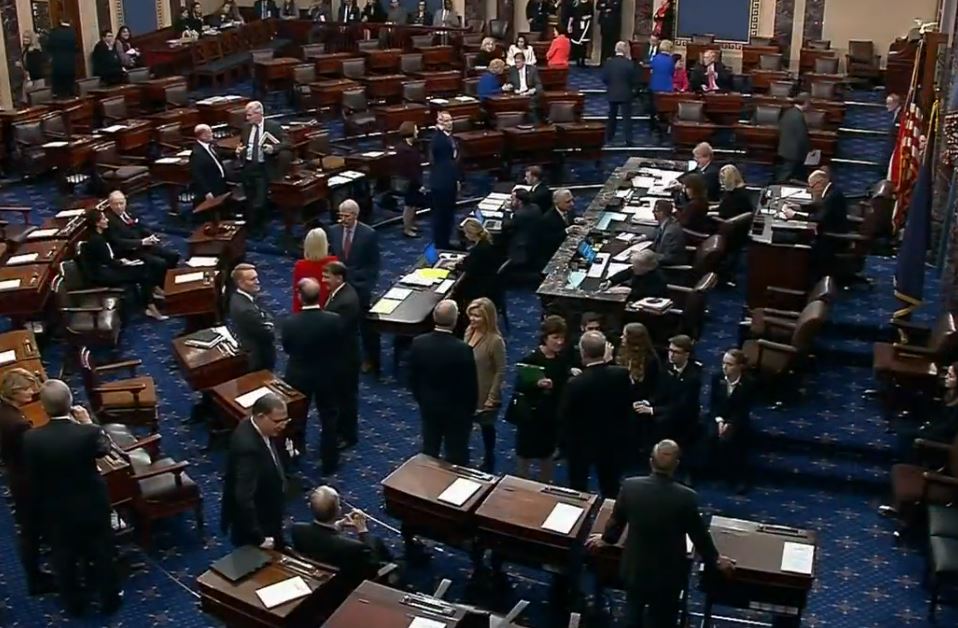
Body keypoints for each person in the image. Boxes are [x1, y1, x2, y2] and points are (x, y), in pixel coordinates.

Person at [586, 440, 734, 628]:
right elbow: (699, 535)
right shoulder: (686, 497)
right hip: (668, 576)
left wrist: (606, 540)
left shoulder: (630, 487)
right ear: (676, 465)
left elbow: (616, 524)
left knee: (632, 614)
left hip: (636, 570)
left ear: (651, 461)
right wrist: (715, 559)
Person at [23, 380, 121, 616]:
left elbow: (33, 476)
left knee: (64, 557)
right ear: (70, 402)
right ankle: (110, 600)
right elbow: (106, 449)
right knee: (103, 552)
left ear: (43, 407)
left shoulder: (31, 438)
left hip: (57, 509)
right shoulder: (88, 432)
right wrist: (87, 421)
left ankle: (75, 605)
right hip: (92, 505)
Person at [0, 369, 54, 596]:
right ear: (15, 392)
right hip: (28, 483)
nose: (32, 392)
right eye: (27, 389)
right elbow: (32, 455)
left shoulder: (5, 410)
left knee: (30, 529)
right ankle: (36, 580)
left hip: (15, 473)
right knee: (31, 532)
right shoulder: (16, 424)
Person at [281, 278, 343, 472]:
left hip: (298, 376)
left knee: (297, 418)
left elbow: (287, 348)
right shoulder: (334, 320)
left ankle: (296, 454)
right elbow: (338, 346)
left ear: (299, 296)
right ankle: (330, 462)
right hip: (327, 375)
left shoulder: (290, 322)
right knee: (329, 417)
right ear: (319, 295)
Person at [560, 330, 631, 498]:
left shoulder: (575, 383)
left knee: (578, 488)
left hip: (581, 444)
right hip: (612, 440)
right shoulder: (621, 375)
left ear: (582, 352)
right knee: (611, 487)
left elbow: (565, 416)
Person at [409, 300, 478, 465]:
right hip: (456, 410)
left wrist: (422, 399)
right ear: (455, 319)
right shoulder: (462, 349)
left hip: (428, 405)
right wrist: (470, 411)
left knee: (430, 447)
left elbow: (412, 377)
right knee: (456, 453)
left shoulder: (418, 343)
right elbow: (470, 386)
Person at [220, 393, 289, 548]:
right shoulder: (248, 449)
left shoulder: (255, 426)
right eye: (278, 421)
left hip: (270, 508)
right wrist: (259, 538)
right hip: (258, 522)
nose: (283, 425)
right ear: (260, 416)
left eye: (285, 420)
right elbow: (244, 498)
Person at [78, 209, 167, 321]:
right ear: (97, 223)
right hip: (102, 274)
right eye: (103, 219)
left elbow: (109, 259)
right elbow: (108, 262)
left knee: (144, 268)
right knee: (143, 272)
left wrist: (125, 262)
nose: (107, 220)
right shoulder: (96, 240)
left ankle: (151, 299)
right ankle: (151, 306)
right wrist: (125, 263)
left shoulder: (100, 235)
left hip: (108, 268)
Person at [292, 486, 391, 586]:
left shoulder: (297, 529)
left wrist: (337, 525)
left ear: (310, 507)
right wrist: (363, 530)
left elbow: (321, 537)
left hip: (314, 576)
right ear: (339, 510)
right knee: (376, 543)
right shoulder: (353, 547)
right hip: (345, 585)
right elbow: (373, 567)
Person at [513, 316, 571, 482]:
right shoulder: (531, 359)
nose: (560, 342)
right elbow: (519, 387)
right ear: (545, 338)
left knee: (547, 455)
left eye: (562, 338)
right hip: (531, 416)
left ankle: (546, 486)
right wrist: (536, 384)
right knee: (525, 455)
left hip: (550, 417)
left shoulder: (561, 361)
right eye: (555, 337)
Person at [328, 199, 381, 372]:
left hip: (360, 286)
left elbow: (373, 264)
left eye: (347, 216)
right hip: (339, 287)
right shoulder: (333, 231)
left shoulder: (368, 234)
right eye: (341, 215)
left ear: (355, 215)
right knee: (342, 325)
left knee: (366, 326)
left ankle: (371, 359)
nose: (343, 219)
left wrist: (366, 285)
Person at [235, 100, 292, 232]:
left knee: (260, 201)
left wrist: (273, 148)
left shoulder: (273, 126)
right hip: (248, 167)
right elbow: (243, 144)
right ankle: (251, 229)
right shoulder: (246, 127)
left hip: (263, 168)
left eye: (249, 115)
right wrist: (239, 150)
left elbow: (288, 142)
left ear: (259, 114)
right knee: (249, 199)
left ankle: (260, 229)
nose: (247, 118)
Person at [323, 262, 362, 450]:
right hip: (340, 356)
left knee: (346, 398)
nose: (323, 280)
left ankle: (348, 436)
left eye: (327, 277)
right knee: (341, 397)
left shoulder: (346, 301)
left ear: (339, 278)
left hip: (345, 358)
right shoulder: (339, 293)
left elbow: (337, 331)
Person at [464, 298, 506, 472]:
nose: (472, 319)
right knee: (464, 425)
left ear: (487, 318)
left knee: (486, 427)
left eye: (477, 316)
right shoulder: (469, 331)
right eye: (471, 315)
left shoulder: (495, 341)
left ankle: (489, 458)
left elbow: (500, 371)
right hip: (467, 389)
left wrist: (492, 397)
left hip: (485, 391)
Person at [641, 335, 703, 452]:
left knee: (662, 421)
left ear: (686, 354)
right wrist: (648, 402)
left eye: (676, 352)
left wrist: (653, 410)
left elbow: (681, 406)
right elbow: (660, 391)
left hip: (682, 415)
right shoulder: (666, 366)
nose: (671, 355)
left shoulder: (693, 376)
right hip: (665, 407)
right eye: (670, 350)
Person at [104, 190, 180, 279]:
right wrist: (141, 242)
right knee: (160, 263)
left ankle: (170, 279)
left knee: (173, 255)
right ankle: (159, 283)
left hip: (143, 245)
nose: (119, 207)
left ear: (125, 202)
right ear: (110, 204)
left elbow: (140, 227)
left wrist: (151, 236)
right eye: (115, 204)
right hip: (129, 251)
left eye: (121, 203)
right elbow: (117, 241)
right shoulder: (108, 220)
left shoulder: (130, 211)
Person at [709, 349, 754, 493]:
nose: (724, 367)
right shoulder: (717, 378)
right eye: (723, 363)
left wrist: (730, 423)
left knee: (735, 439)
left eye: (729, 364)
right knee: (710, 434)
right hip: (719, 417)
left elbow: (743, 409)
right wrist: (720, 421)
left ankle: (738, 477)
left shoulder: (748, 383)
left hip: (737, 419)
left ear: (740, 366)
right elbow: (713, 404)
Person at [617, 323, 661, 459]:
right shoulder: (620, 352)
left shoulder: (650, 361)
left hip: (639, 398)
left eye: (624, 336)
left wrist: (645, 401)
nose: (621, 338)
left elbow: (653, 387)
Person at [228, 263, 276, 372]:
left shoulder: (240, 297)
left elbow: (264, 314)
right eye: (252, 279)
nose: (257, 282)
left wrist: (265, 318)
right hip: (258, 357)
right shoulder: (246, 309)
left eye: (257, 278)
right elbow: (269, 333)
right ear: (240, 283)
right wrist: (268, 321)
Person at [429, 111, 460, 250]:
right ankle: (441, 244)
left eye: (450, 120)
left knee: (448, 215)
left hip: (449, 180)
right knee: (441, 215)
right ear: (439, 123)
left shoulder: (448, 137)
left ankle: (446, 241)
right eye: (446, 121)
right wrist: (438, 130)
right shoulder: (438, 138)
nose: (450, 123)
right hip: (442, 183)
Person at [292, 228, 338, 311]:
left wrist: (297, 315)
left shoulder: (300, 266)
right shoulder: (334, 262)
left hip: (308, 309)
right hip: (330, 309)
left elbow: (297, 294)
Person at [457, 218, 500, 306]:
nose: (465, 235)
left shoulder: (479, 250)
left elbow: (470, 270)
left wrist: (456, 266)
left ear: (471, 234)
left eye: (466, 233)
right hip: (489, 281)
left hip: (480, 286)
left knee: (457, 289)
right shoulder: (486, 242)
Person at [602, 41, 637, 147]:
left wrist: (611, 85)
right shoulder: (629, 63)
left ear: (615, 50)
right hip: (626, 92)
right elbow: (633, 79)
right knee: (627, 118)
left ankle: (609, 137)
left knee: (612, 116)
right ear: (625, 51)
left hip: (612, 92)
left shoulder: (609, 63)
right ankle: (629, 140)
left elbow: (604, 78)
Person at [602, 249, 668, 302]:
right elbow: (625, 273)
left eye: (635, 267)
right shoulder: (639, 270)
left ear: (647, 268)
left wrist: (629, 291)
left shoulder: (658, 279)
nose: (632, 268)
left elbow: (646, 294)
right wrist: (610, 281)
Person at [395, 121, 424, 238]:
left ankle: (411, 224)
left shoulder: (411, 146)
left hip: (414, 180)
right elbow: (410, 169)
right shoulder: (404, 150)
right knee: (409, 205)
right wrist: (419, 184)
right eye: (416, 129)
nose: (418, 132)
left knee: (413, 204)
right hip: (410, 181)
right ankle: (407, 229)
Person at [536, 188, 576, 271]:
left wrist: (575, 221)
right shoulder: (547, 219)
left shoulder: (569, 210)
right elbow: (548, 241)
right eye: (568, 202)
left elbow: (569, 222)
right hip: (554, 255)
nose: (572, 204)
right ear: (556, 202)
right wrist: (566, 231)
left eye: (572, 200)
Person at [189, 124, 229, 206]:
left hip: (221, 183)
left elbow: (222, 153)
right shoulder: (197, 154)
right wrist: (207, 192)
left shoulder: (211, 145)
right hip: (212, 187)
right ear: (203, 136)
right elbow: (198, 175)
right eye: (210, 132)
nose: (212, 134)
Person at [776, 93, 811, 183]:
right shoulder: (798, 116)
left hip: (784, 149)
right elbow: (801, 137)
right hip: (794, 152)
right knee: (785, 175)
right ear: (806, 103)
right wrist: (808, 150)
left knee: (787, 172)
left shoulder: (788, 112)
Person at [504, 188, 542, 270]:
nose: (510, 200)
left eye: (512, 198)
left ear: (519, 201)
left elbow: (506, 226)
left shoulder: (519, 214)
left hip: (521, 247)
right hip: (535, 244)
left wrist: (507, 210)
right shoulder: (536, 207)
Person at [647, 39, 675, 137]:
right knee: (665, 109)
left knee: (653, 108)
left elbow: (651, 69)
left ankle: (652, 127)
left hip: (655, 86)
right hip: (666, 88)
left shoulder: (655, 58)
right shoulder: (671, 60)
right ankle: (664, 128)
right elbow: (672, 72)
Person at [505, 52, 541, 121]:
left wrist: (533, 90)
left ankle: (535, 123)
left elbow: (539, 84)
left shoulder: (532, 69)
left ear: (524, 61)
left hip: (529, 94)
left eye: (518, 62)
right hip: (517, 95)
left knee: (532, 104)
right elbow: (509, 82)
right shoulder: (512, 70)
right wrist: (510, 86)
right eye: (515, 62)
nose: (516, 64)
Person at [649, 200, 687, 266]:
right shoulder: (669, 222)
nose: (653, 212)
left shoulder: (670, 232)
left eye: (655, 210)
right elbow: (657, 233)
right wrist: (643, 237)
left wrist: (649, 256)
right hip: (660, 256)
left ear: (661, 213)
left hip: (666, 266)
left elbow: (670, 258)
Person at [48, 19, 77, 97]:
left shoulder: (54, 32)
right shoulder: (72, 32)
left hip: (57, 64)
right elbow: (75, 47)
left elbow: (49, 47)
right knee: (70, 87)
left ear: (60, 21)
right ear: (70, 22)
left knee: (59, 89)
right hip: (70, 64)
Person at [568, 0, 593, 67]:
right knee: (577, 43)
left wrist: (586, 17)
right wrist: (569, 25)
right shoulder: (575, 3)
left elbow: (591, 15)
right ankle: (577, 60)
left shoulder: (589, 4)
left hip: (585, 26)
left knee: (584, 44)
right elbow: (571, 16)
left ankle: (583, 60)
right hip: (576, 25)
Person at [884, 93, 901, 166]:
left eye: (889, 104)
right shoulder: (895, 114)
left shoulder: (901, 115)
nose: (887, 106)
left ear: (896, 103)